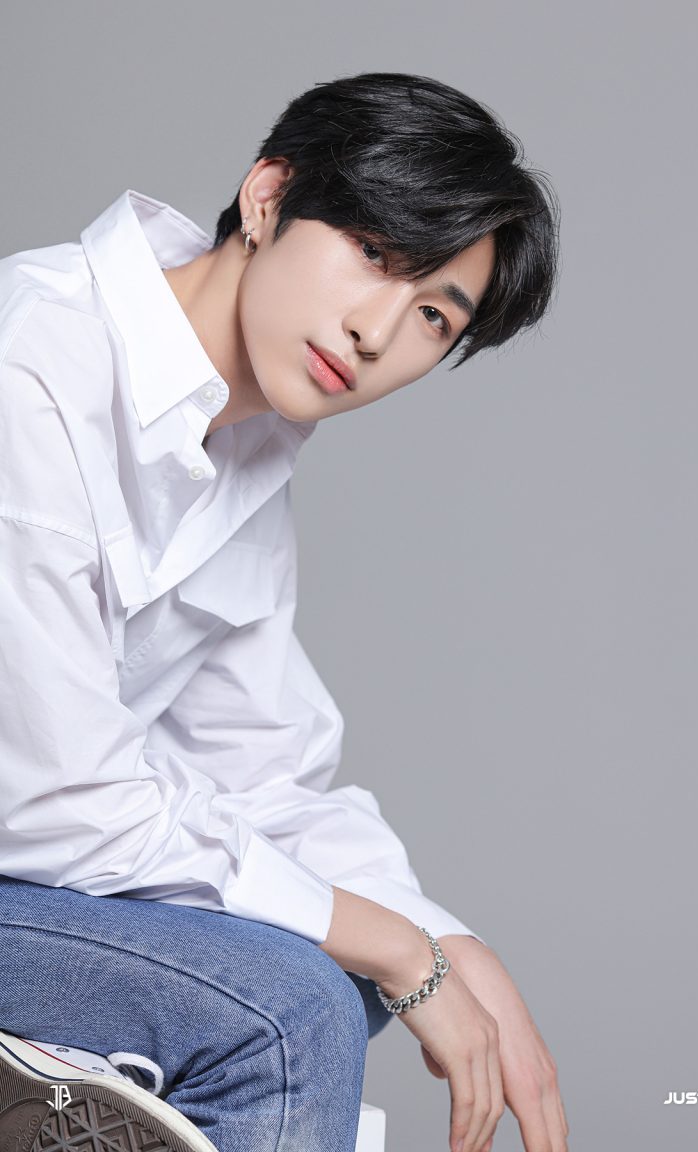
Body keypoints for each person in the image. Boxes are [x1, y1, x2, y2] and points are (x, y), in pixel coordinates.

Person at [0, 72, 565, 1152]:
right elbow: (56, 799)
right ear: (267, 197)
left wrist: (447, 943)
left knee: (338, 970)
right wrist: (399, 950)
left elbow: (262, 772)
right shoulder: (34, 363)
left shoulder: (244, 453)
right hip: (24, 845)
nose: (375, 331)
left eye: (432, 314)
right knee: (293, 1004)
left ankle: (65, 1080)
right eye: (374, 252)